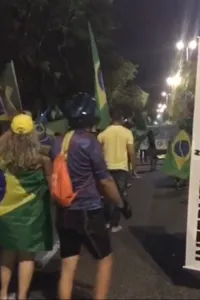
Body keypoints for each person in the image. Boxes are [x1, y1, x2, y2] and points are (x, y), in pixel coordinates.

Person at [53, 93, 131, 300]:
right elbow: (105, 181)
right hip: (88, 212)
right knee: (105, 259)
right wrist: (121, 204)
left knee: (68, 264)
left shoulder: (58, 143)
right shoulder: (90, 143)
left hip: (64, 211)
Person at [0, 114, 53, 300]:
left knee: (8, 250)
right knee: (26, 255)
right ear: (32, 134)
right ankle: (22, 296)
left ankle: (3, 293)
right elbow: (51, 186)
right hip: (31, 214)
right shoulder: (42, 160)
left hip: (8, 213)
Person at [97, 108, 136, 232]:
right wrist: (133, 168)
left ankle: (107, 221)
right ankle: (114, 224)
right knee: (118, 196)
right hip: (122, 168)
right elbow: (131, 152)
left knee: (108, 196)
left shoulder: (102, 134)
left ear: (110, 119)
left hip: (106, 168)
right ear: (122, 119)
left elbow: (98, 153)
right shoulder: (127, 133)